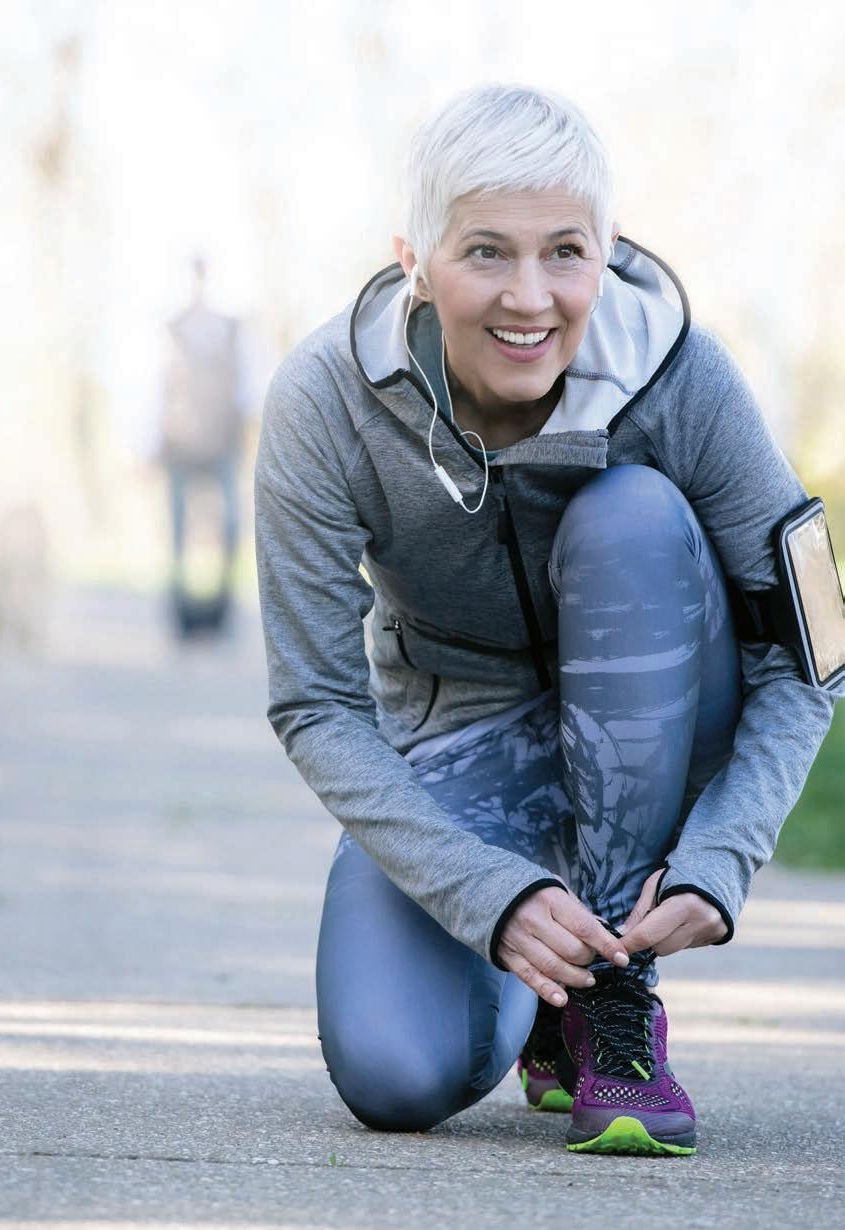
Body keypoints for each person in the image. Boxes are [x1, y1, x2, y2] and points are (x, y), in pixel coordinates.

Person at [254, 84, 842, 1157]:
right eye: (486, 252)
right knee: (395, 1075)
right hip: (463, 744)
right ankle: (546, 993)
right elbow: (315, 703)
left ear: (606, 251)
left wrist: (725, 853)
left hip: (666, 714)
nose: (530, 298)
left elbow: (813, 655)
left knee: (632, 515)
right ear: (414, 262)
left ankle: (614, 1002)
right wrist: (489, 894)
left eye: (565, 252)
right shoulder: (325, 400)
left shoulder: (685, 379)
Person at [159, 256, 252, 638]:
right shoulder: (171, 329)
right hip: (180, 442)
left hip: (223, 439)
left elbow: (247, 386)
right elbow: (157, 385)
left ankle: (223, 606)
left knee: (231, 524)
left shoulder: (233, 330)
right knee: (178, 528)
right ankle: (180, 609)